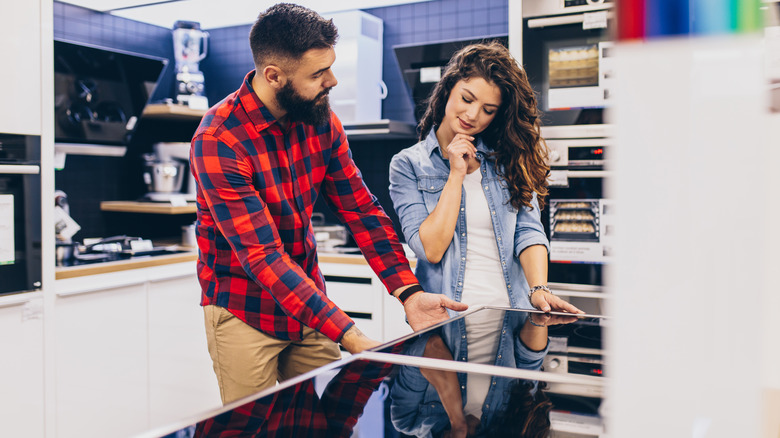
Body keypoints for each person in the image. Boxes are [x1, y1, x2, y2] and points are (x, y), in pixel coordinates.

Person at [190, 3, 467, 405]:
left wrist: (407, 291)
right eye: (318, 74)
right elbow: (263, 257)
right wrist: (350, 335)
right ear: (274, 76)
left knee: (319, 426)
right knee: (253, 429)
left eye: (331, 67)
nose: (332, 81)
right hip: (244, 312)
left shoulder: (321, 120)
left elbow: (361, 211)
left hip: (308, 306)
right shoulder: (219, 140)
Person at [388, 41, 584, 315]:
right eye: (467, 99)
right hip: (446, 319)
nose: (473, 115)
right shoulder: (407, 164)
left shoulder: (508, 159)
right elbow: (430, 249)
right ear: (447, 90)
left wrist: (539, 289)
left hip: (512, 314)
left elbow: (527, 232)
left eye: (488, 110)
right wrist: (456, 174)